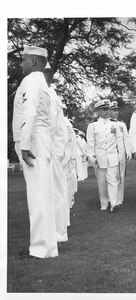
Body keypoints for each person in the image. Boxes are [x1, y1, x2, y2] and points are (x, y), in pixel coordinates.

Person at [12, 45, 57, 259]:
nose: (21, 64)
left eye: (24, 60)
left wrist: (24, 144)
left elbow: (28, 113)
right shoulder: (42, 82)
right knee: (43, 195)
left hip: (34, 141)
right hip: (42, 140)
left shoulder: (30, 81)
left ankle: (40, 248)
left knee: (38, 195)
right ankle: (47, 247)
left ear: (34, 62)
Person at [43, 63, 69, 242]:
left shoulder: (48, 95)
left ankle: (55, 232)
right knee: (53, 193)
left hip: (49, 152)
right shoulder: (49, 94)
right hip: (51, 151)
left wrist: (56, 152)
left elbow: (54, 128)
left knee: (52, 193)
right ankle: (56, 231)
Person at [86, 99, 120, 213]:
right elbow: (90, 143)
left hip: (113, 156)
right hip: (100, 157)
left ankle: (114, 203)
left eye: (108, 109)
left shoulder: (114, 124)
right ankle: (104, 203)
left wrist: (120, 154)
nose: (107, 111)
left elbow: (119, 141)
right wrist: (91, 156)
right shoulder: (93, 126)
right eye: (104, 109)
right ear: (98, 111)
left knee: (113, 181)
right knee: (101, 181)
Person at [109, 101, 131, 205]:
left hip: (121, 153)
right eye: (113, 110)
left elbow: (126, 139)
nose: (116, 112)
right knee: (111, 177)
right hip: (111, 153)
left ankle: (119, 198)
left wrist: (128, 151)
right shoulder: (107, 124)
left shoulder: (121, 124)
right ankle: (111, 198)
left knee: (121, 176)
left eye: (117, 110)